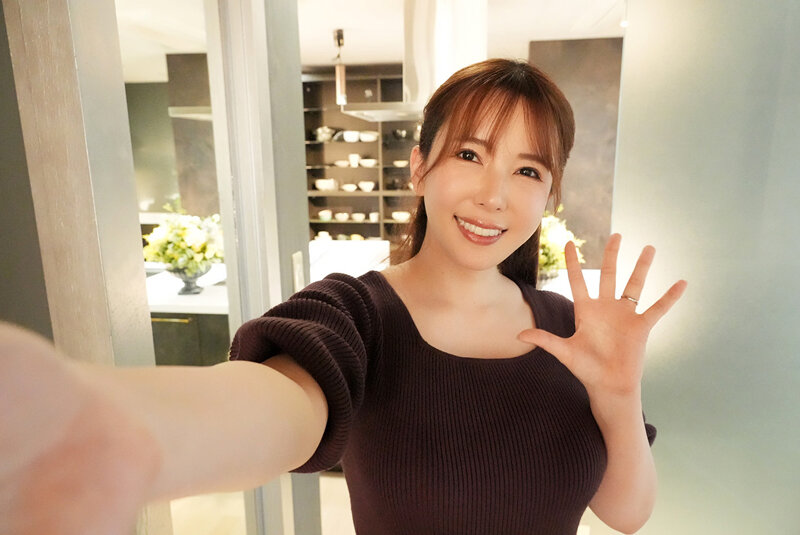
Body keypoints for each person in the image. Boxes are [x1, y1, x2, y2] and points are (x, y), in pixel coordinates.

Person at [0, 58, 686, 535]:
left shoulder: (570, 332)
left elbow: (626, 513)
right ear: (419, 167)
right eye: (470, 155)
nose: (494, 195)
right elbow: (278, 404)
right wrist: (106, 430)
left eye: (528, 170)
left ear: (550, 195)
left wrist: (618, 397)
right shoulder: (358, 314)